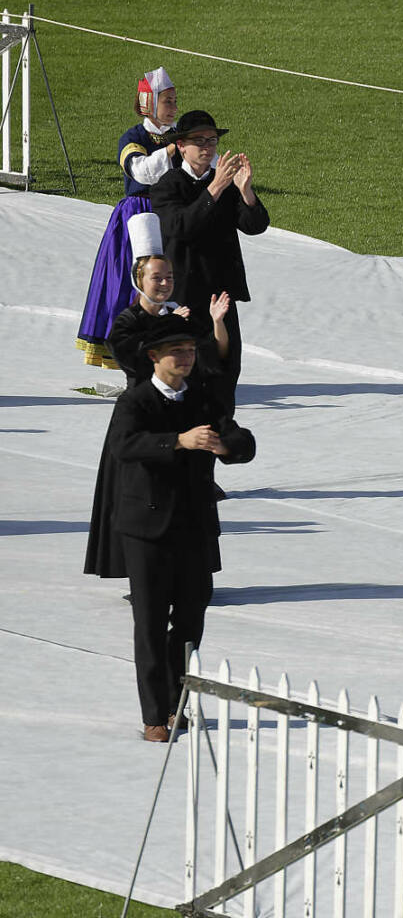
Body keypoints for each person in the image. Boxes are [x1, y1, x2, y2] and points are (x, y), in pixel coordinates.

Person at [105, 314, 255, 741]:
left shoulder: (203, 396)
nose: (187, 358)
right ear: (154, 357)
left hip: (194, 526)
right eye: (177, 351)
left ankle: (177, 702)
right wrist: (177, 441)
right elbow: (124, 446)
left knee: (191, 618)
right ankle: (155, 715)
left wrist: (226, 445)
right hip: (146, 529)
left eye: (190, 351)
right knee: (150, 624)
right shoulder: (136, 401)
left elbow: (241, 438)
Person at [86, 213, 231, 579]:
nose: (165, 283)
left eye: (169, 277)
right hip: (142, 415)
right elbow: (135, 361)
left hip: (181, 412)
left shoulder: (180, 316)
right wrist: (169, 328)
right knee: (139, 495)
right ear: (140, 281)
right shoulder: (127, 322)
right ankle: (140, 572)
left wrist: (215, 322)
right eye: (157, 278)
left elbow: (214, 356)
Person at [148, 109, 269, 407]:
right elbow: (180, 227)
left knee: (227, 363)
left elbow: (255, 226)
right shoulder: (168, 185)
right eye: (198, 140)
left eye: (211, 140)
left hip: (221, 289)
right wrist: (214, 189)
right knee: (187, 365)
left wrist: (246, 191)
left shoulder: (227, 185)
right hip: (185, 294)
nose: (206, 147)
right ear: (181, 146)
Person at [76, 67, 181, 371]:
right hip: (139, 216)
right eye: (168, 101)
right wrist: (173, 150)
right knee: (132, 282)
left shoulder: (178, 136)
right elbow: (141, 172)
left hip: (170, 213)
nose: (174, 107)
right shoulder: (133, 137)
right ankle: (129, 354)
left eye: (175, 101)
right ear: (150, 104)